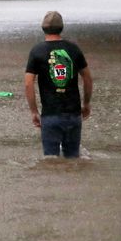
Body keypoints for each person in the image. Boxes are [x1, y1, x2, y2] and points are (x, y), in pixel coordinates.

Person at [25, 11, 93, 158]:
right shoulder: (74, 49)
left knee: (50, 161)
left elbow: (28, 84)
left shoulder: (37, 51)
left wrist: (34, 111)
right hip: (73, 114)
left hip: (50, 115)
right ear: (61, 28)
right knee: (73, 160)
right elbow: (87, 78)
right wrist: (86, 103)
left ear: (43, 28)